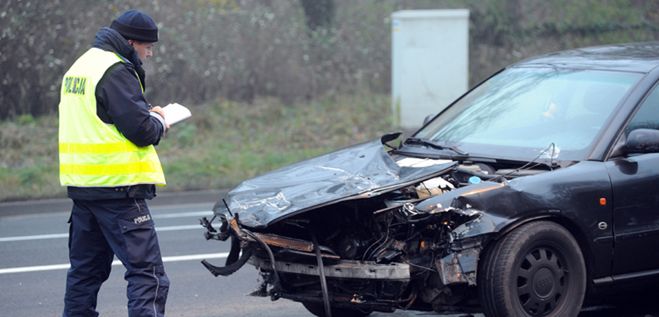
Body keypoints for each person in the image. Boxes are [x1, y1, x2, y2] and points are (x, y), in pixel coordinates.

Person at [58, 9, 169, 317]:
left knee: (84, 276)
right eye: (147, 46)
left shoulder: (81, 66)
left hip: (83, 190)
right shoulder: (116, 69)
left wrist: (145, 111)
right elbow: (141, 131)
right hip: (119, 192)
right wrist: (159, 122)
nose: (150, 53)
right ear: (131, 42)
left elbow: (101, 117)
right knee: (149, 277)